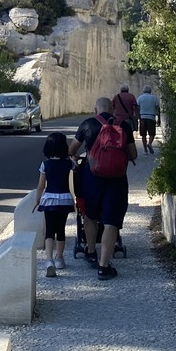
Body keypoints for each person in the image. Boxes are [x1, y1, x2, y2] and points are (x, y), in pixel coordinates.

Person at [68, 97, 137, 280]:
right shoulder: (124, 126)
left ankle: (91, 252)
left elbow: (72, 150)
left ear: (95, 109)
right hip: (117, 179)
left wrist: (78, 157)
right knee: (111, 221)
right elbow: (133, 154)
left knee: (90, 215)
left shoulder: (88, 124)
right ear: (113, 109)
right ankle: (104, 266)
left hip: (92, 177)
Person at [32, 131, 75, 277]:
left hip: (49, 198)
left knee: (49, 230)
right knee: (61, 229)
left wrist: (37, 200)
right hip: (65, 199)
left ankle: (49, 260)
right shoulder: (69, 163)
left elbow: (40, 186)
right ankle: (60, 259)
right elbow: (77, 171)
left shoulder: (45, 165)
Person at [136, 85, 161, 153]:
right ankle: (149, 143)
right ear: (150, 91)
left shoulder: (140, 98)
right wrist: (158, 118)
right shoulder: (154, 98)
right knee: (152, 134)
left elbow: (137, 107)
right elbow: (157, 108)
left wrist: (138, 117)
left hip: (143, 117)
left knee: (143, 135)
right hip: (151, 117)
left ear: (143, 90)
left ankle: (145, 149)